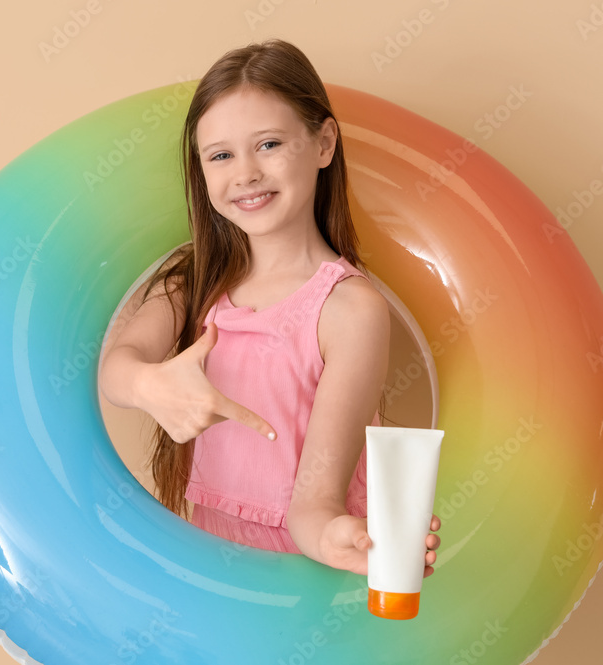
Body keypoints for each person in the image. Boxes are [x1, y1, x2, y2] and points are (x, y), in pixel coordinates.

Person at [98, 38, 440, 578]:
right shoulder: (197, 281)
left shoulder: (349, 309)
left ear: (324, 143)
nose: (246, 173)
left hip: (304, 571)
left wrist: (333, 536)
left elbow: (313, 502)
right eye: (221, 155)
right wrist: (150, 385)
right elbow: (116, 370)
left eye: (270, 145)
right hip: (212, 559)